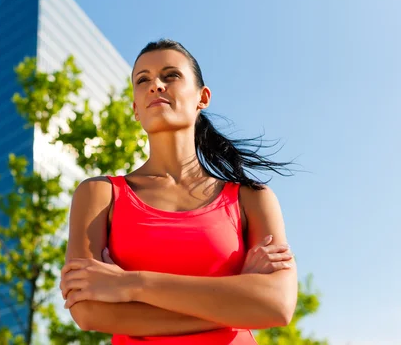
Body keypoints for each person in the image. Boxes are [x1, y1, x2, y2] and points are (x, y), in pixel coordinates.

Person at [60, 39, 297, 344]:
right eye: (142, 80)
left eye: (170, 75)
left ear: (203, 96)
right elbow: (89, 312)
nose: (155, 85)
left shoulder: (252, 199)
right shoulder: (99, 194)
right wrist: (235, 300)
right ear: (135, 107)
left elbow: (276, 306)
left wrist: (131, 285)